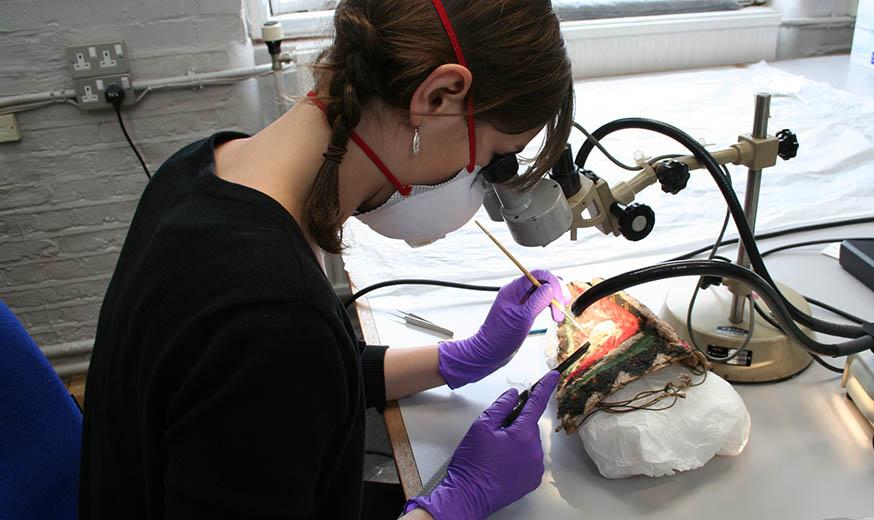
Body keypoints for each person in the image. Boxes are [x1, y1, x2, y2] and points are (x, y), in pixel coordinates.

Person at [78, 0, 574, 519]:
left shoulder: (203, 167)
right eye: (496, 157)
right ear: (440, 95)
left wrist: (459, 358)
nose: (482, 180)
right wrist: (451, 507)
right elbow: (281, 361)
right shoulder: (276, 317)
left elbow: (287, 391)